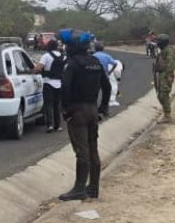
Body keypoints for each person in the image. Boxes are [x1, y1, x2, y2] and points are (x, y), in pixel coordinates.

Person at [59, 29, 110, 201]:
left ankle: (79, 188)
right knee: (93, 149)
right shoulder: (95, 62)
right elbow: (107, 86)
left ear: (72, 47)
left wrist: (65, 110)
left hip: (77, 111)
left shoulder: (72, 63)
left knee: (82, 151)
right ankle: (93, 187)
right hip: (92, 110)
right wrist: (103, 108)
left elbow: (65, 87)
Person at [33, 39, 65, 132]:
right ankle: (58, 125)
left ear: (48, 46)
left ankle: (50, 125)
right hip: (59, 83)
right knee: (57, 105)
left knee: (48, 104)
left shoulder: (46, 56)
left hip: (48, 83)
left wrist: (31, 71)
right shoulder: (63, 56)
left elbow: (38, 68)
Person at [153, 34, 175, 122]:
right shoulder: (163, 51)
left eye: (159, 41)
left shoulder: (169, 51)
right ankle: (166, 113)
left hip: (166, 75)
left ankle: (167, 116)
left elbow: (171, 63)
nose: (157, 43)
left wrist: (169, 76)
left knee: (163, 95)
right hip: (162, 75)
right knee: (161, 95)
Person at [92, 41, 116, 119]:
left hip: (95, 77)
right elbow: (114, 63)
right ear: (103, 48)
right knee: (106, 93)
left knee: (94, 94)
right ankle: (105, 110)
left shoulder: (93, 56)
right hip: (105, 76)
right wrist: (110, 72)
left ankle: (94, 110)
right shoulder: (106, 56)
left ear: (95, 48)